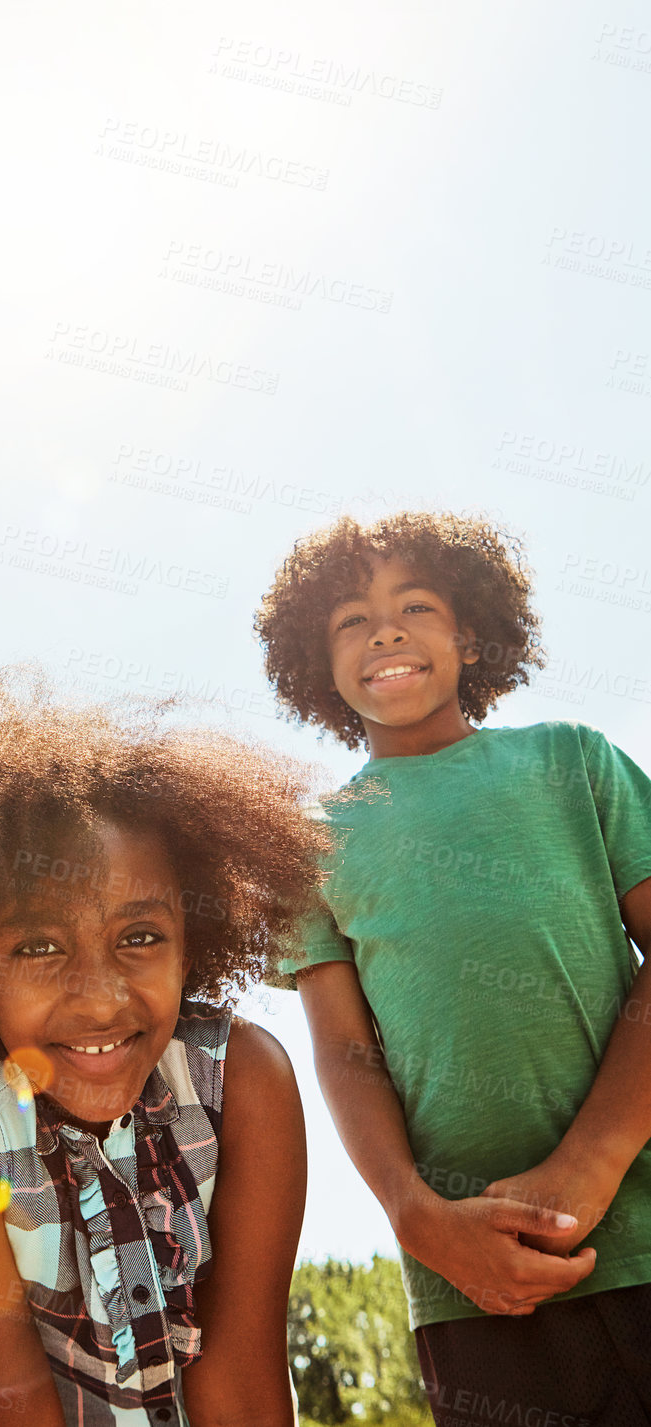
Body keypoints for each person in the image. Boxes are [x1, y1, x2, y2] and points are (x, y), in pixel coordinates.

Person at [0, 670, 324, 1426]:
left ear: (193, 943)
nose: (99, 997)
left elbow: (243, 1385)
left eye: (139, 936)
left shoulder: (243, 1080)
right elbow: (10, 1411)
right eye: (37, 945)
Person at [256, 511, 651, 1425]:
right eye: (350, 619)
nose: (384, 630)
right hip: (467, 1287)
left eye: (415, 605)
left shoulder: (570, 760)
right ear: (317, 662)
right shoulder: (309, 845)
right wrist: (414, 1215)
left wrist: (590, 1162)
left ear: (471, 633)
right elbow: (342, 1054)